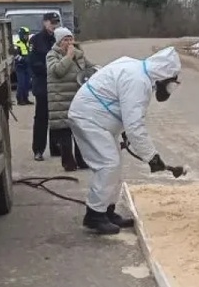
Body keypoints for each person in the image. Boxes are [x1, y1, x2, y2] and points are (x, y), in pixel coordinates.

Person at [67, 46, 182, 235]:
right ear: (163, 75)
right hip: (88, 119)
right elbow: (134, 125)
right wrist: (152, 157)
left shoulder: (137, 70)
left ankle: (107, 211)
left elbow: (127, 112)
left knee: (116, 164)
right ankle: (94, 215)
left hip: (99, 121)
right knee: (108, 164)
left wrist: (128, 134)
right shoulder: (137, 80)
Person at [45, 27, 92, 172]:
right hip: (60, 101)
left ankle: (83, 160)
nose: (69, 42)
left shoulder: (80, 55)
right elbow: (57, 71)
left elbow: (90, 68)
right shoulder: (52, 55)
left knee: (80, 133)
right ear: (59, 42)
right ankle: (69, 163)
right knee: (65, 137)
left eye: (70, 39)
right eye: (65, 39)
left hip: (77, 99)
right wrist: (68, 57)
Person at [28, 12, 59, 160]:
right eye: (52, 22)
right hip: (42, 83)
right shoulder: (36, 40)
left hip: (57, 83)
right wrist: (52, 69)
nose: (54, 25)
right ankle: (38, 150)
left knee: (56, 116)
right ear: (45, 22)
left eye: (56, 23)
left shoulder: (59, 38)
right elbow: (33, 64)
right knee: (41, 117)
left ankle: (56, 147)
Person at [13, 26, 33, 106]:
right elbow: (15, 55)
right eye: (25, 35)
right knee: (21, 84)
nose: (26, 37)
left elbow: (31, 53)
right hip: (20, 67)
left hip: (27, 67)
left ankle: (26, 98)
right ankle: (19, 99)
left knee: (27, 83)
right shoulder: (17, 44)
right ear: (21, 35)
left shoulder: (29, 44)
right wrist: (23, 59)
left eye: (27, 35)